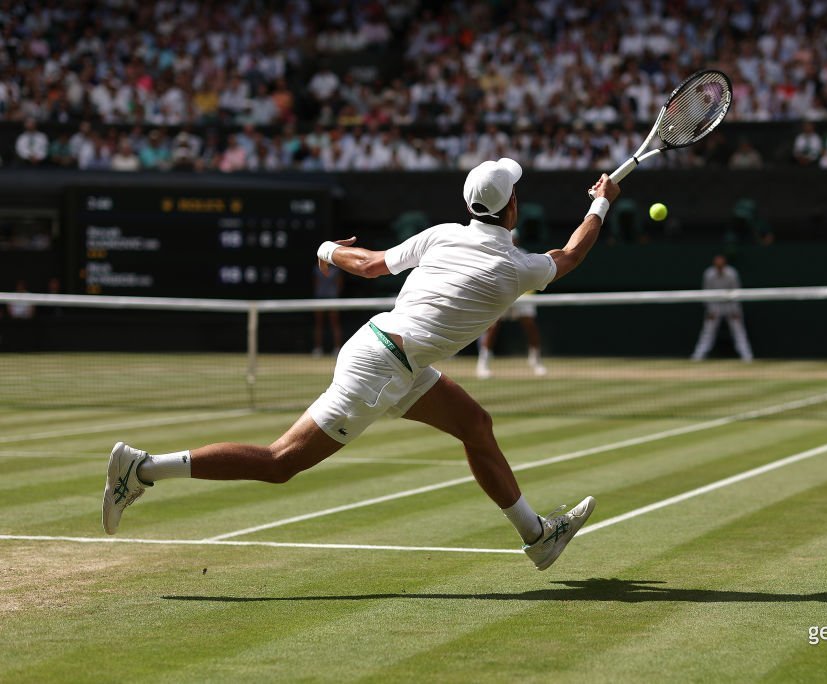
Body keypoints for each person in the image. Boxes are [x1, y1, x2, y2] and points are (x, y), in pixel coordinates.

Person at [102, 159, 621, 571]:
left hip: (393, 355)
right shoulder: (514, 267)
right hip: (381, 368)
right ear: (511, 208)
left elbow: (370, 264)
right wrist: (599, 204)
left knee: (475, 426)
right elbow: (570, 254)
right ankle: (142, 468)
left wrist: (327, 248)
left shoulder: (443, 234)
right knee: (281, 462)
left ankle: (536, 537)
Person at [477, 229, 547, 379]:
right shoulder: (495, 254)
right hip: (502, 296)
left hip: (522, 297)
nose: (512, 241)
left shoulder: (524, 254)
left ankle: (535, 361)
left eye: (514, 238)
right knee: (493, 327)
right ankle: (483, 363)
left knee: (530, 326)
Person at [690, 255, 754, 362]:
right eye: (717, 264)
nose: (719, 266)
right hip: (715, 305)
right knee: (708, 331)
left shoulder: (732, 274)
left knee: (738, 331)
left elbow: (736, 292)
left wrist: (735, 310)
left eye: (721, 264)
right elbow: (706, 292)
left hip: (730, 305)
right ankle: (698, 356)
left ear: (724, 264)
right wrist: (710, 309)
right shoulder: (708, 274)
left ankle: (747, 356)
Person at [312, 262, 344, 357]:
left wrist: (333, 294)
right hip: (320, 299)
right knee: (318, 324)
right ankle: (318, 348)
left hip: (332, 299)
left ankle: (337, 348)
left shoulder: (336, 270)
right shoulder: (317, 269)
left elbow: (339, 284)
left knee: (335, 324)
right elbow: (315, 283)